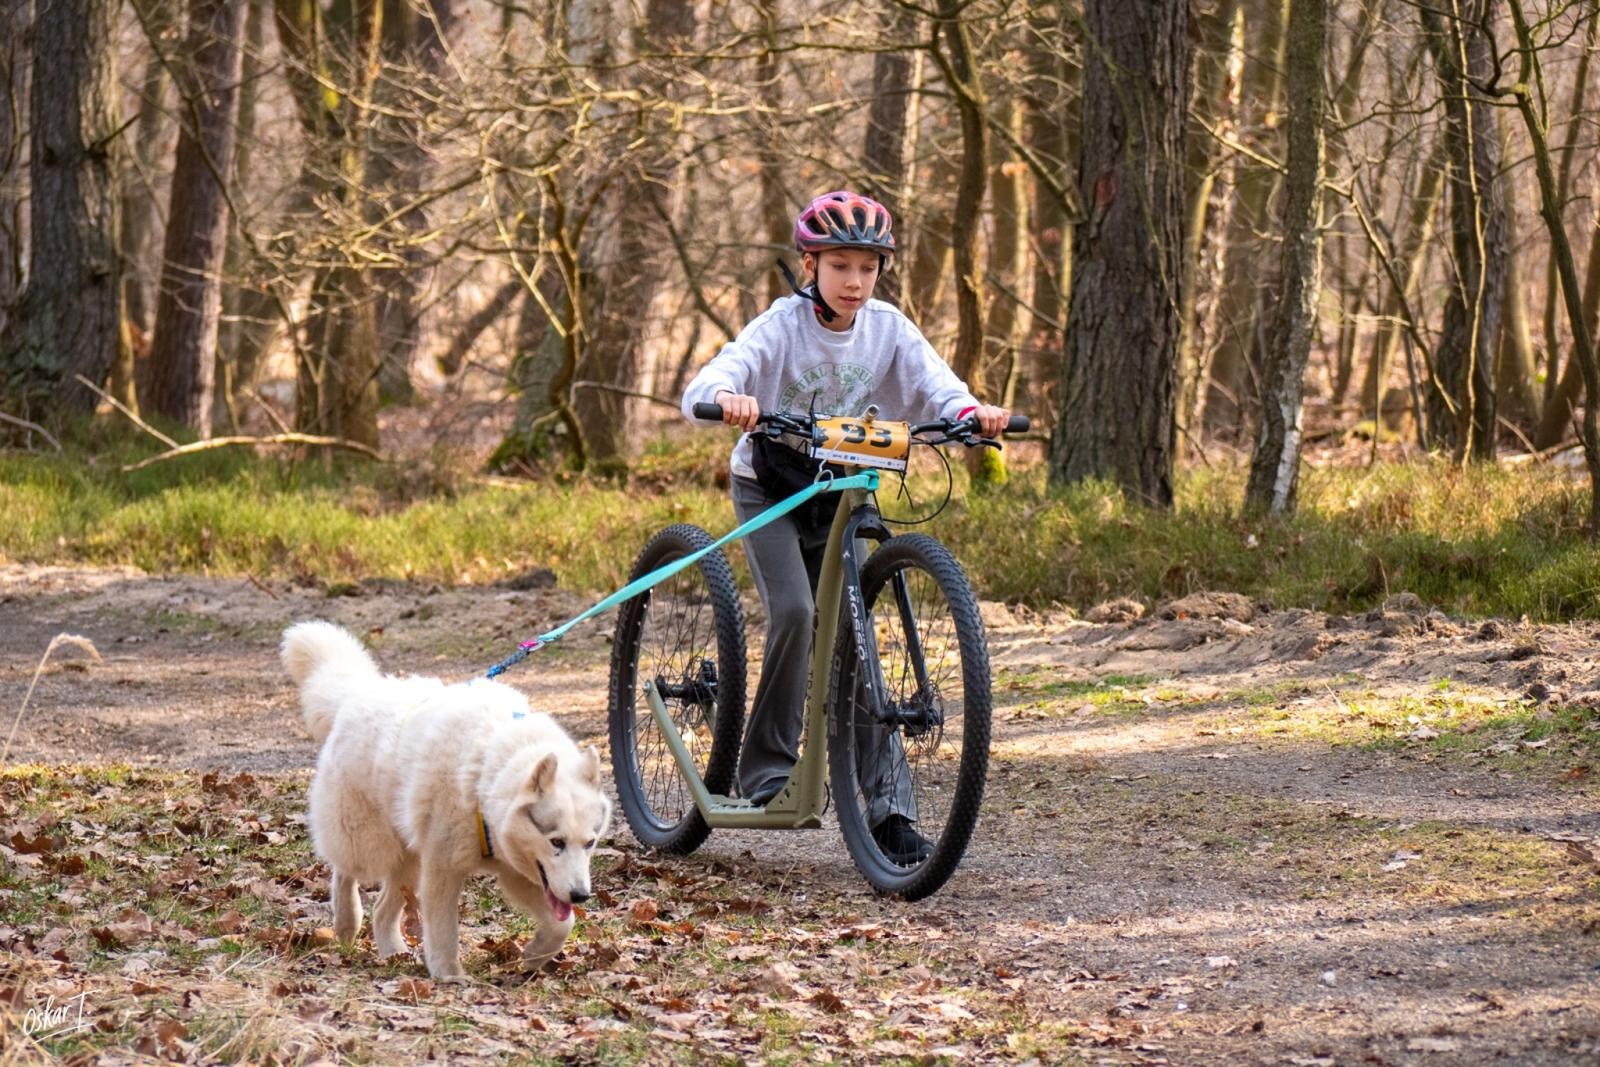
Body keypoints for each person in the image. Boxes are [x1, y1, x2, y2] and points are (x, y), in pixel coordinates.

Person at [681, 190, 1008, 864]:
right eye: (840, 266)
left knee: (857, 641)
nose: (855, 281)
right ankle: (767, 771)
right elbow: (714, 376)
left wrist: (972, 413)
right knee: (799, 612)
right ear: (810, 264)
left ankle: (888, 813)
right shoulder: (782, 326)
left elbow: (938, 385)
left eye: (868, 267)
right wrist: (727, 398)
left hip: (846, 492)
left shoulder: (889, 328)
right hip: (770, 486)